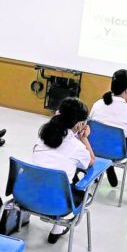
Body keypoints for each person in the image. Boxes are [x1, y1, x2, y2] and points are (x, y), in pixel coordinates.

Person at [32, 97, 95, 244]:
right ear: (80, 124)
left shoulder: (43, 136)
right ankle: (56, 229)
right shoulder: (77, 146)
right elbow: (91, 161)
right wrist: (84, 138)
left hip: (29, 195)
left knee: (51, 175)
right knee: (74, 185)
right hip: (56, 203)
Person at [89, 69, 127, 187]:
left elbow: (90, 122)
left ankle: (107, 164)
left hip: (95, 147)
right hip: (119, 152)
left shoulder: (98, 103)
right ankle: (109, 163)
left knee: (106, 135)